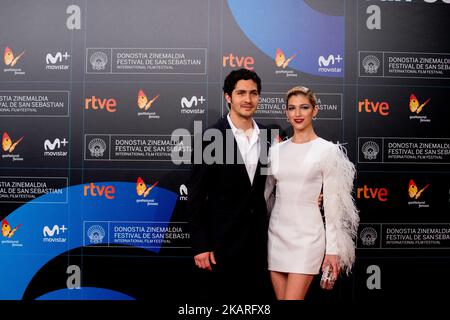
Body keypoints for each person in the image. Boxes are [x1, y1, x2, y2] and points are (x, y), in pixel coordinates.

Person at [264, 86, 359, 300]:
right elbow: (265, 194)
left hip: (307, 238)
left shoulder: (327, 150)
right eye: (292, 108)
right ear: (286, 113)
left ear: (314, 110)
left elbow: (334, 205)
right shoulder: (275, 151)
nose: (297, 114)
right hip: (276, 236)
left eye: (304, 107)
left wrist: (333, 250)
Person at [187, 68, 274, 301]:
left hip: (259, 245)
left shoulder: (268, 136)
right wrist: (200, 245)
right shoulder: (211, 136)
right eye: (241, 93)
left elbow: (273, 185)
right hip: (220, 245)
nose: (248, 99)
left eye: (254, 93)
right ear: (228, 97)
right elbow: (195, 195)